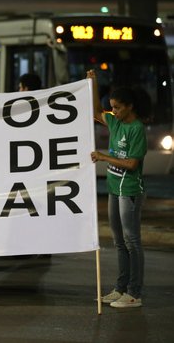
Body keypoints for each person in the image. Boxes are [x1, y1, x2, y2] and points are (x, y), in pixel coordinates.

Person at [88, 69, 150, 309]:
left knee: (132, 241)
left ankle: (134, 293)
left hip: (130, 190)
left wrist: (104, 157)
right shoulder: (114, 121)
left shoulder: (136, 129)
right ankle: (120, 288)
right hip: (115, 188)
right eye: (112, 107)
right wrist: (93, 82)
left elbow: (132, 163)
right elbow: (95, 112)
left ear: (130, 107)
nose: (113, 111)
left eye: (117, 107)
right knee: (119, 241)